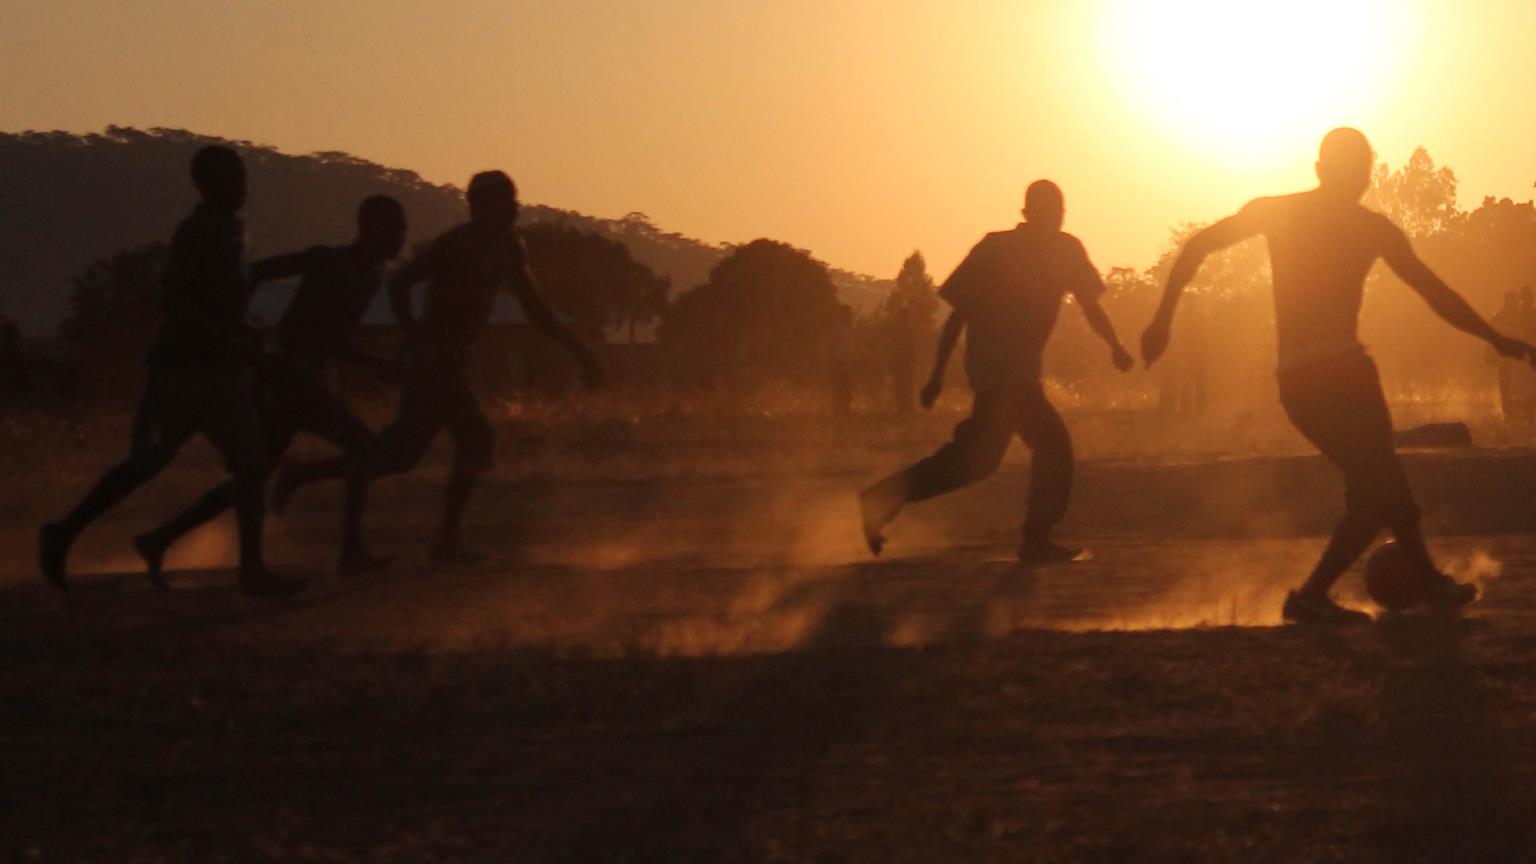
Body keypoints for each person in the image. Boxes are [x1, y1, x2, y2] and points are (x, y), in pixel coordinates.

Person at [1142, 128, 1536, 625]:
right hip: (1332, 373)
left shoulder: (1328, 220)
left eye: (1363, 169)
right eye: (1356, 168)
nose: (1360, 178)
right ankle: (1339, 593)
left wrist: (1163, 316)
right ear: (1326, 170)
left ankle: (1398, 587)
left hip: (1315, 377)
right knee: (1382, 487)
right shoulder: (1355, 225)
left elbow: (1200, 245)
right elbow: (1435, 294)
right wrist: (1162, 317)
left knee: (1378, 490)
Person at [273, 171, 602, 563]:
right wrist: (415, 336)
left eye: (514, 200)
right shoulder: (456, 245)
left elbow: (534, 308)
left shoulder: (509, 248)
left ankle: (302, 475)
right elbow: (401, 283)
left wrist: (580, 352)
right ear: (481, 206)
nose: (514, 208)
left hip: (446, 361)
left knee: (400, 456)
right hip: (434, 363)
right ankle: (444, 542)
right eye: (505, 201)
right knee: (474, 438)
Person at [38, 146, 304, 598]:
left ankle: (252, 570)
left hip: (221, 372)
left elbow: (225, 296)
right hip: (182, 371)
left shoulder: (234, 231)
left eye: (242, 177)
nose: (243, 186)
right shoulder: (197, 231)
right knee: (146, 464)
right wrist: (231, 334)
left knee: (252, 465)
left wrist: (241, 336)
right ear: (207, 183)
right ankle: (63, 532)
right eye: (233, 177)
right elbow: (179, 301)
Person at [134, 196, 408, 586]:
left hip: (296, 379)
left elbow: (335, 341)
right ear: (370, 230)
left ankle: (159, 539)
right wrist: (238, 324)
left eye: (402, 230)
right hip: (288, 378)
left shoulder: (369, 277)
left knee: (255, 474)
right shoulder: (328, 261)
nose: (400, 238)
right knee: (364, 449)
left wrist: (377, 365)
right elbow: (257, 273)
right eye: (394, 229)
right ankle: (350, 552)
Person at [859, 180, 1134, 564]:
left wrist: (1115, 345)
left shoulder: (1066, 249)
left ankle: (885, 496)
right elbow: (959, 315)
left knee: (977, 462)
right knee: (1052, 445)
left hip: (1016, 372)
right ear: (1026, 215)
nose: (1052, 221)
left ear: (1063, 215)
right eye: (1045, 214)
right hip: (999, 370)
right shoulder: (996, 249)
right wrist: (937, 374)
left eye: (1057, 214)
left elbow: (1090, 305)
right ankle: (1035, 539)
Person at [1489, 291, 1523, 421]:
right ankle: (1509, 413)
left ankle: (1510, 413)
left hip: (1513, 357)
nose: (1517, 304)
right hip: (1507, 357)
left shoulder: (1500, 317)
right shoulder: (1502, 318)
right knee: (1507, 385)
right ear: (1509, 301)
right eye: (1515, 301)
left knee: (1509, 385)